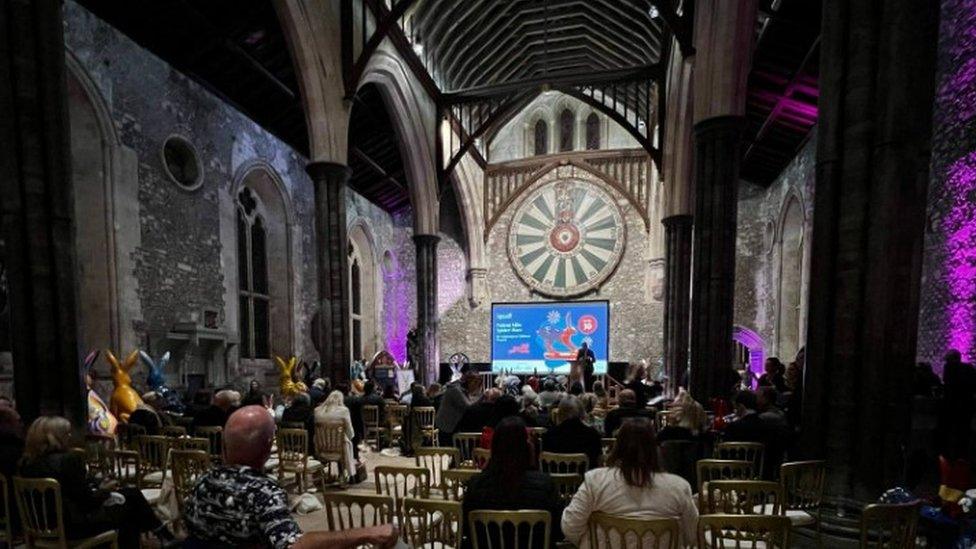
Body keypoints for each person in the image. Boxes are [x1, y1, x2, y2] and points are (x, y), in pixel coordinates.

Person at [184, 406, 398, 548]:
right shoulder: (262, 492)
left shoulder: (203, 482)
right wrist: (367, 533)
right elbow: (292, 545)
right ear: (269, 447)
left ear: (224, 445)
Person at [19, 416, 176, 547]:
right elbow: (87, 502)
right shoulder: (68, 460)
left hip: (42, 526)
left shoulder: (26, 464)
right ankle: (161, 533)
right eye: (67, 434)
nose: (70, 438)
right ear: (55, 437)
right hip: (74, 527)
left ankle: (160, 532)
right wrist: (105, 490)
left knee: (129, 496)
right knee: (130, 506)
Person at [561, 419, 698, 548]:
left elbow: (570, 526)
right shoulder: (679, 487)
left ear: (617, 446)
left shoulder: (595, 481)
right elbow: (692, 536)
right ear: (654, 449)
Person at [464, 417, 563, 547]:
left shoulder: (476, 485)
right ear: (526, 447)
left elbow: (467, 530)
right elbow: (558, 532)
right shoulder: (546, 485)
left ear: (494, 448)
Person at [542, 396, 602, 468]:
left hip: (555, 477)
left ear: (560, 413)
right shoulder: (592, 434)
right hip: (585, 477)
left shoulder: (548, 435)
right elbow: (598, 462)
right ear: (581, 412)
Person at [940, 349, 976, 458]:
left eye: (948, 359)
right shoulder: (969, 368)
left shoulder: (949, 367)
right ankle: (962, 456)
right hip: (966, 405)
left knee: (949, 431)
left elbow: (947, 383)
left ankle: (947, 456)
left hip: (951, 404)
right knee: (964, 432)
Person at [314, 391, 357, 479]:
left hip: (321, 448)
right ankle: (343, 474)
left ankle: (322, 473)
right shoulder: (344, 411)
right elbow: (350, 432)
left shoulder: (317, 411)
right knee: (346, 441)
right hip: (339, 448)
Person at [434, 372, 480, 446]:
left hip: (450, 425)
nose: (476, 387)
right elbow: (468, 407)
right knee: (450, 451)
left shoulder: (460, 389)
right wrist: (482, 398)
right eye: (475, 383)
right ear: (469, 381)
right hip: (447, 426)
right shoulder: (455, 390)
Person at [0, 405, 24, 539]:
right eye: (18, 421)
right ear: (6, 424)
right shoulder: (16, 452)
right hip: (16, 518)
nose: (22, 424)